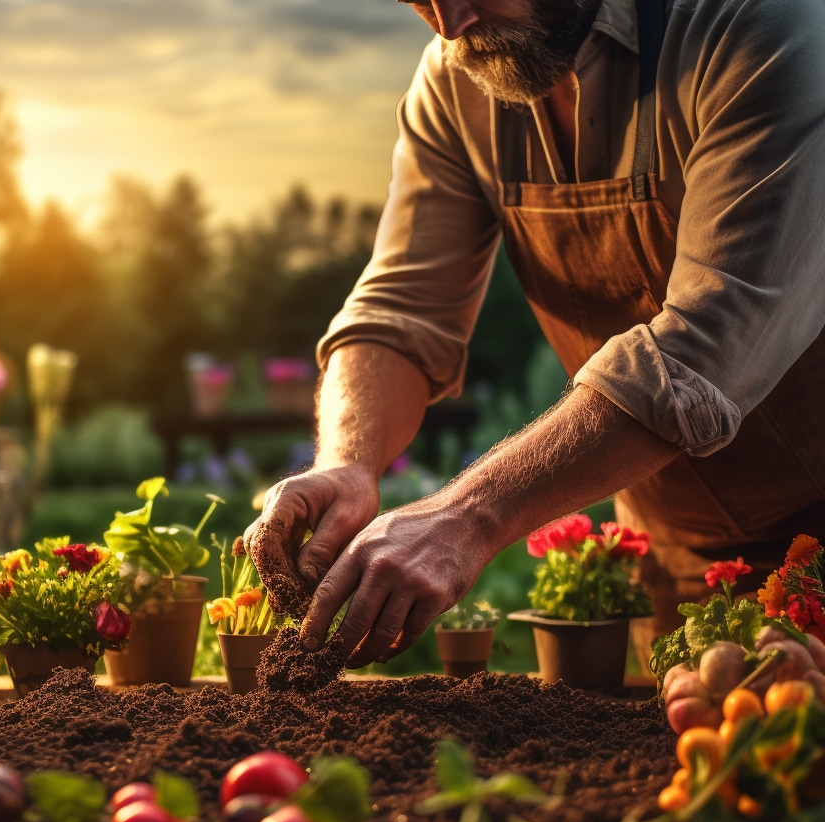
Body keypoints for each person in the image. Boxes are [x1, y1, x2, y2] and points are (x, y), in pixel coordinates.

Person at [246, 0, 825, 673]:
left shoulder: (760, 24)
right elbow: (402, 307)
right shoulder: (458, 75)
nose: (450, 23)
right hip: (685, 560)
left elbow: (708, 344)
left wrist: (468, 515)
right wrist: (346, 460)